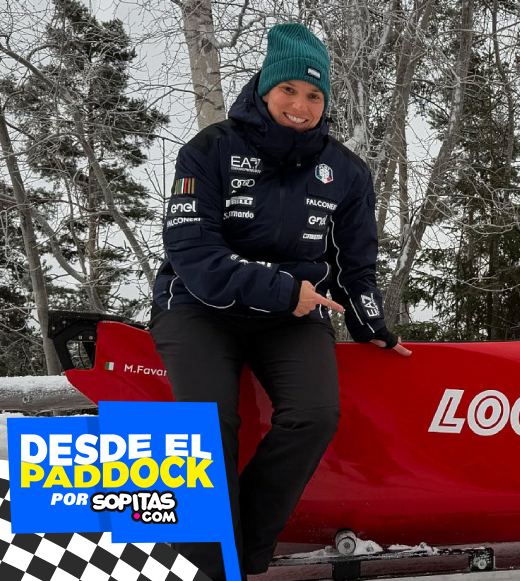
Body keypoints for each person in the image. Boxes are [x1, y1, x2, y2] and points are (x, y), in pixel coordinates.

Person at [148, 23, 410, 581]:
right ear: (265, 90)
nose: (300, 104)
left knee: (314, 417)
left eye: (314, 95)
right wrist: (284, 290)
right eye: (289, 89)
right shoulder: (210, 149)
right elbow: (193, 253)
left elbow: (356, 264)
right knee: (208, 428)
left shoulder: (346, 171)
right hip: (197, 307)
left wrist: (372, 325)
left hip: (293, 317)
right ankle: (210, 564)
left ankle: (240, 553)